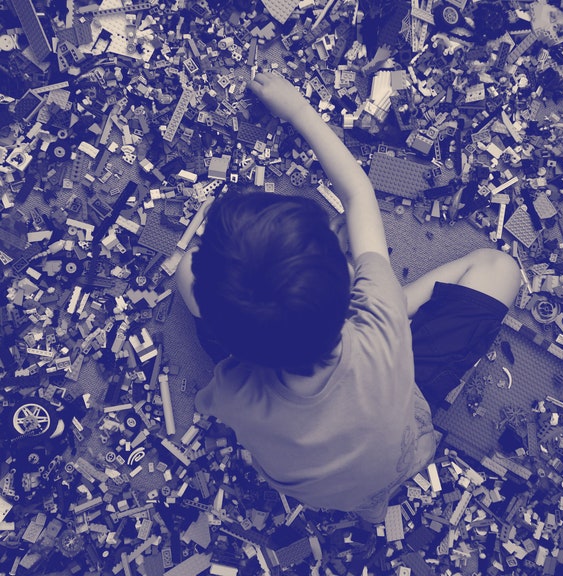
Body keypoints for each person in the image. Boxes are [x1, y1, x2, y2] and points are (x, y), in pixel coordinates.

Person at [175, 72, 521, 522]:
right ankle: (401, 302)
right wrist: (300, 110)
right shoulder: (376, 315)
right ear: (348, 279)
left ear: (228, 335)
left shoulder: (233, 389)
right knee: (501, 268)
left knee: (183, 268)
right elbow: (359, 194)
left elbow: (203, 300)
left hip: (322, 485)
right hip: (403, 443)